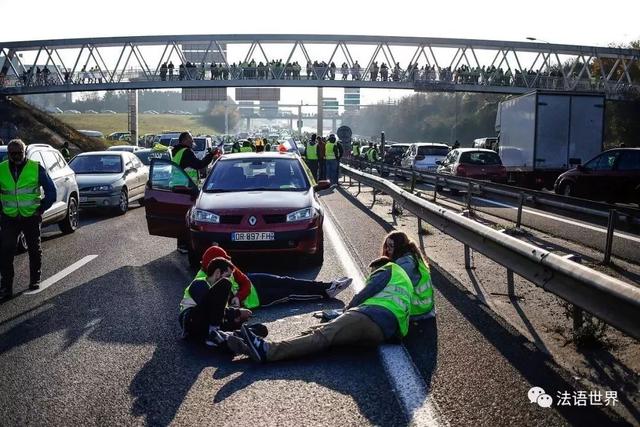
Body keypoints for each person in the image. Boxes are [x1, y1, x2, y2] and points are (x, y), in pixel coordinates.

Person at [228, 256, 413, 363]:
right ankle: (248, 347)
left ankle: (267, 350)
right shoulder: (404, 282)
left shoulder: (387, 269)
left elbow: (363, 294)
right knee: (322, 335)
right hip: (385, 332)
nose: (370, 276)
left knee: (322, 335)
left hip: (368, 316)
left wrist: (346, 310)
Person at [195, 245, 352, 310]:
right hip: (257, 299)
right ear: (215, 270)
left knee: (286, 280)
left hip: (253, 281)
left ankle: (327, 285)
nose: (230, 266)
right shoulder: (202, 282)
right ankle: (325, 293)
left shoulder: (223, 264)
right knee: (289, 294)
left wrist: (239, 295)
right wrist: (237, 302)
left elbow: (244, 281)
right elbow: (216, 307)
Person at [0, 139, 57, 300]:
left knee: (34, 248)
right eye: (12, 153)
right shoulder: (1, 169)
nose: (16, 156)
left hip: (30, 216)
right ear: (8, 154)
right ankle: (6, 288)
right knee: (6, 252)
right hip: (9, 217)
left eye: (19, 153)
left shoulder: (35, 168)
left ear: (24, 152)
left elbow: (51, 191)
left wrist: (41, 209)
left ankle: (34, 280)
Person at [171, 132, 215, 253]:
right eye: (190, 139)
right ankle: (185, 244)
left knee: (182, 216)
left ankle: (182, 244)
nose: (192, 142)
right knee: (188, 217)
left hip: (178, 187)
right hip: (186, 188)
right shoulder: (186, 152)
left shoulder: (177, 152)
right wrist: (211, 154)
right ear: (184, 140)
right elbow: (199, 165)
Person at [381, 231, 435, 319]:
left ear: (399, 247)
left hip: (416, 310)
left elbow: (385, 284)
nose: (387, 249)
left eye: (391, 246)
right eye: (387, 246)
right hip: (425, 307)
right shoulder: (412, 256)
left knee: (382, 296)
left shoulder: (406, 264)